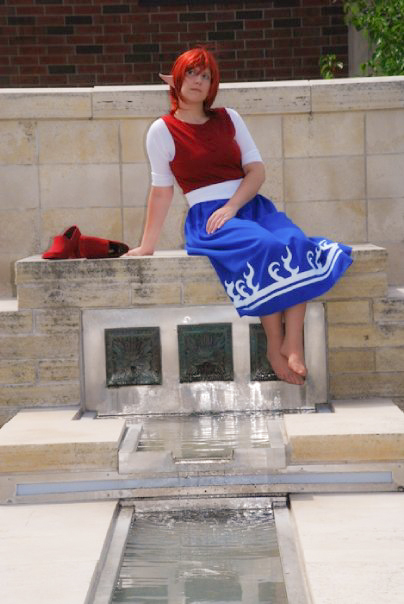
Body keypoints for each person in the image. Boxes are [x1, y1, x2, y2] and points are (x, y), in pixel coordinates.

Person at [123, 47, 353, 386]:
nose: (198, 81)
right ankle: (275, 344)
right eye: (191, 73)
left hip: (250, 205)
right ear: (177, 79)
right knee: (264, 246)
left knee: (295, 241)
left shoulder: (229, 117)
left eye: (206, 76)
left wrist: (233, 205)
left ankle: (293, 341)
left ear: (212, 85)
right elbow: (161, 191)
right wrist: (147, 246)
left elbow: (256, 171)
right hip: (209, 217)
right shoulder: (162, 130)